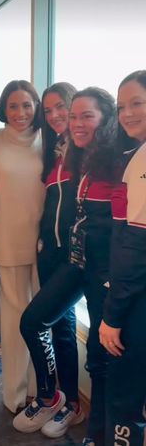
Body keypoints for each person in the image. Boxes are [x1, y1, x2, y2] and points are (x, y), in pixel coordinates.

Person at [13, 87, 120, 446]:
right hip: (68, 258)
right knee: (35, 321)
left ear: (105, 117)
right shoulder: (66, 153)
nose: (67, 119)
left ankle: (90, 425)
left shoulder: (115, 156)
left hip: (103, 268)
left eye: (76, 113)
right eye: (57, 111)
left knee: (98, 354)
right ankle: (54, 397)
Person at [22, 82, 84, 439]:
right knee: (61, 326)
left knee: (34, 322)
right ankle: (69, 402)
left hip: (79, 259)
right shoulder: (52, 152)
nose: (56, 115)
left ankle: (56, 397)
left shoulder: (90, 151)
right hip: (49, 252)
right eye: (49, 110)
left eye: (62, 106)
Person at [0, 80, 46, 413]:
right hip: (7, 239)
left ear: (36, 106)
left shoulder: (48, 140)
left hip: (44, 243)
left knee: (42, 318)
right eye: (13, 106)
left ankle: (43, 389)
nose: (21, 112)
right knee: (13, 321)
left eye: (27, 105)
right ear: (3, 109)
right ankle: (14, 394)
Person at [99, 70, 146, 446]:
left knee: (125, 396)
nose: (127, 113)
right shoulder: (135, 153)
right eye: (121, 106)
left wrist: (112, 316)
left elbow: (135, 246)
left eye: (137, 103)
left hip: (137, 300)